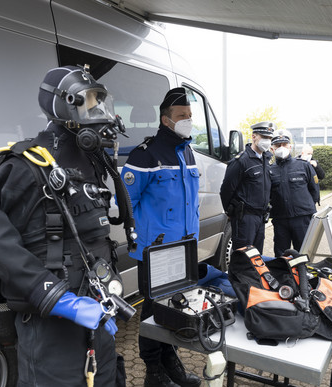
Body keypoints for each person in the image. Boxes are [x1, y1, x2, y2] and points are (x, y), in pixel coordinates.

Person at [0, 66, 125, 386]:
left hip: (98, 319)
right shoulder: (28, 163)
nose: (99, 111)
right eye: (90, 102)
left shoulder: (93, 163)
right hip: (51, 329)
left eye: (101, 102)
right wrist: (55, 297)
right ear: (65, 104)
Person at [121, 87, 201, 387]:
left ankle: (171, 362)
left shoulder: (188, 151)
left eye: (190, 116)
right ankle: (153, 372)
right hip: (156, 251)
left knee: (175, 310)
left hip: (184, 250)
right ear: (166, 119)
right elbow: (126, 203)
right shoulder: (146, 154)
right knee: (153, 313)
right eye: (182, 116)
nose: (187, 121)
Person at [220, 121, 275, 255]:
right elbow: (226, 190)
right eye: (264, 137)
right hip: (245, 218)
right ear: (254, 137)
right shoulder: (241, 161)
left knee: (256, 258)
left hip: (260, 218)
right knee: (243, 258)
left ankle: (254, 277)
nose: (267, 141)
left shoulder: (266, 160)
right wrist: (231, 212)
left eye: (269, 138)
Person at [269, 130, 320, 257]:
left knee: (303, 254)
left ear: (290, 146)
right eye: (278, 145)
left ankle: (303, 277)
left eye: (284, 144)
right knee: (281, 256)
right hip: (280, 219)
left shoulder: (303, 166)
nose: (281, 148)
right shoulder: (269, 170)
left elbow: (314, 189)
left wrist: (307, 209)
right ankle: (285, 277)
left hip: (301, 218)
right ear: (272, 149)